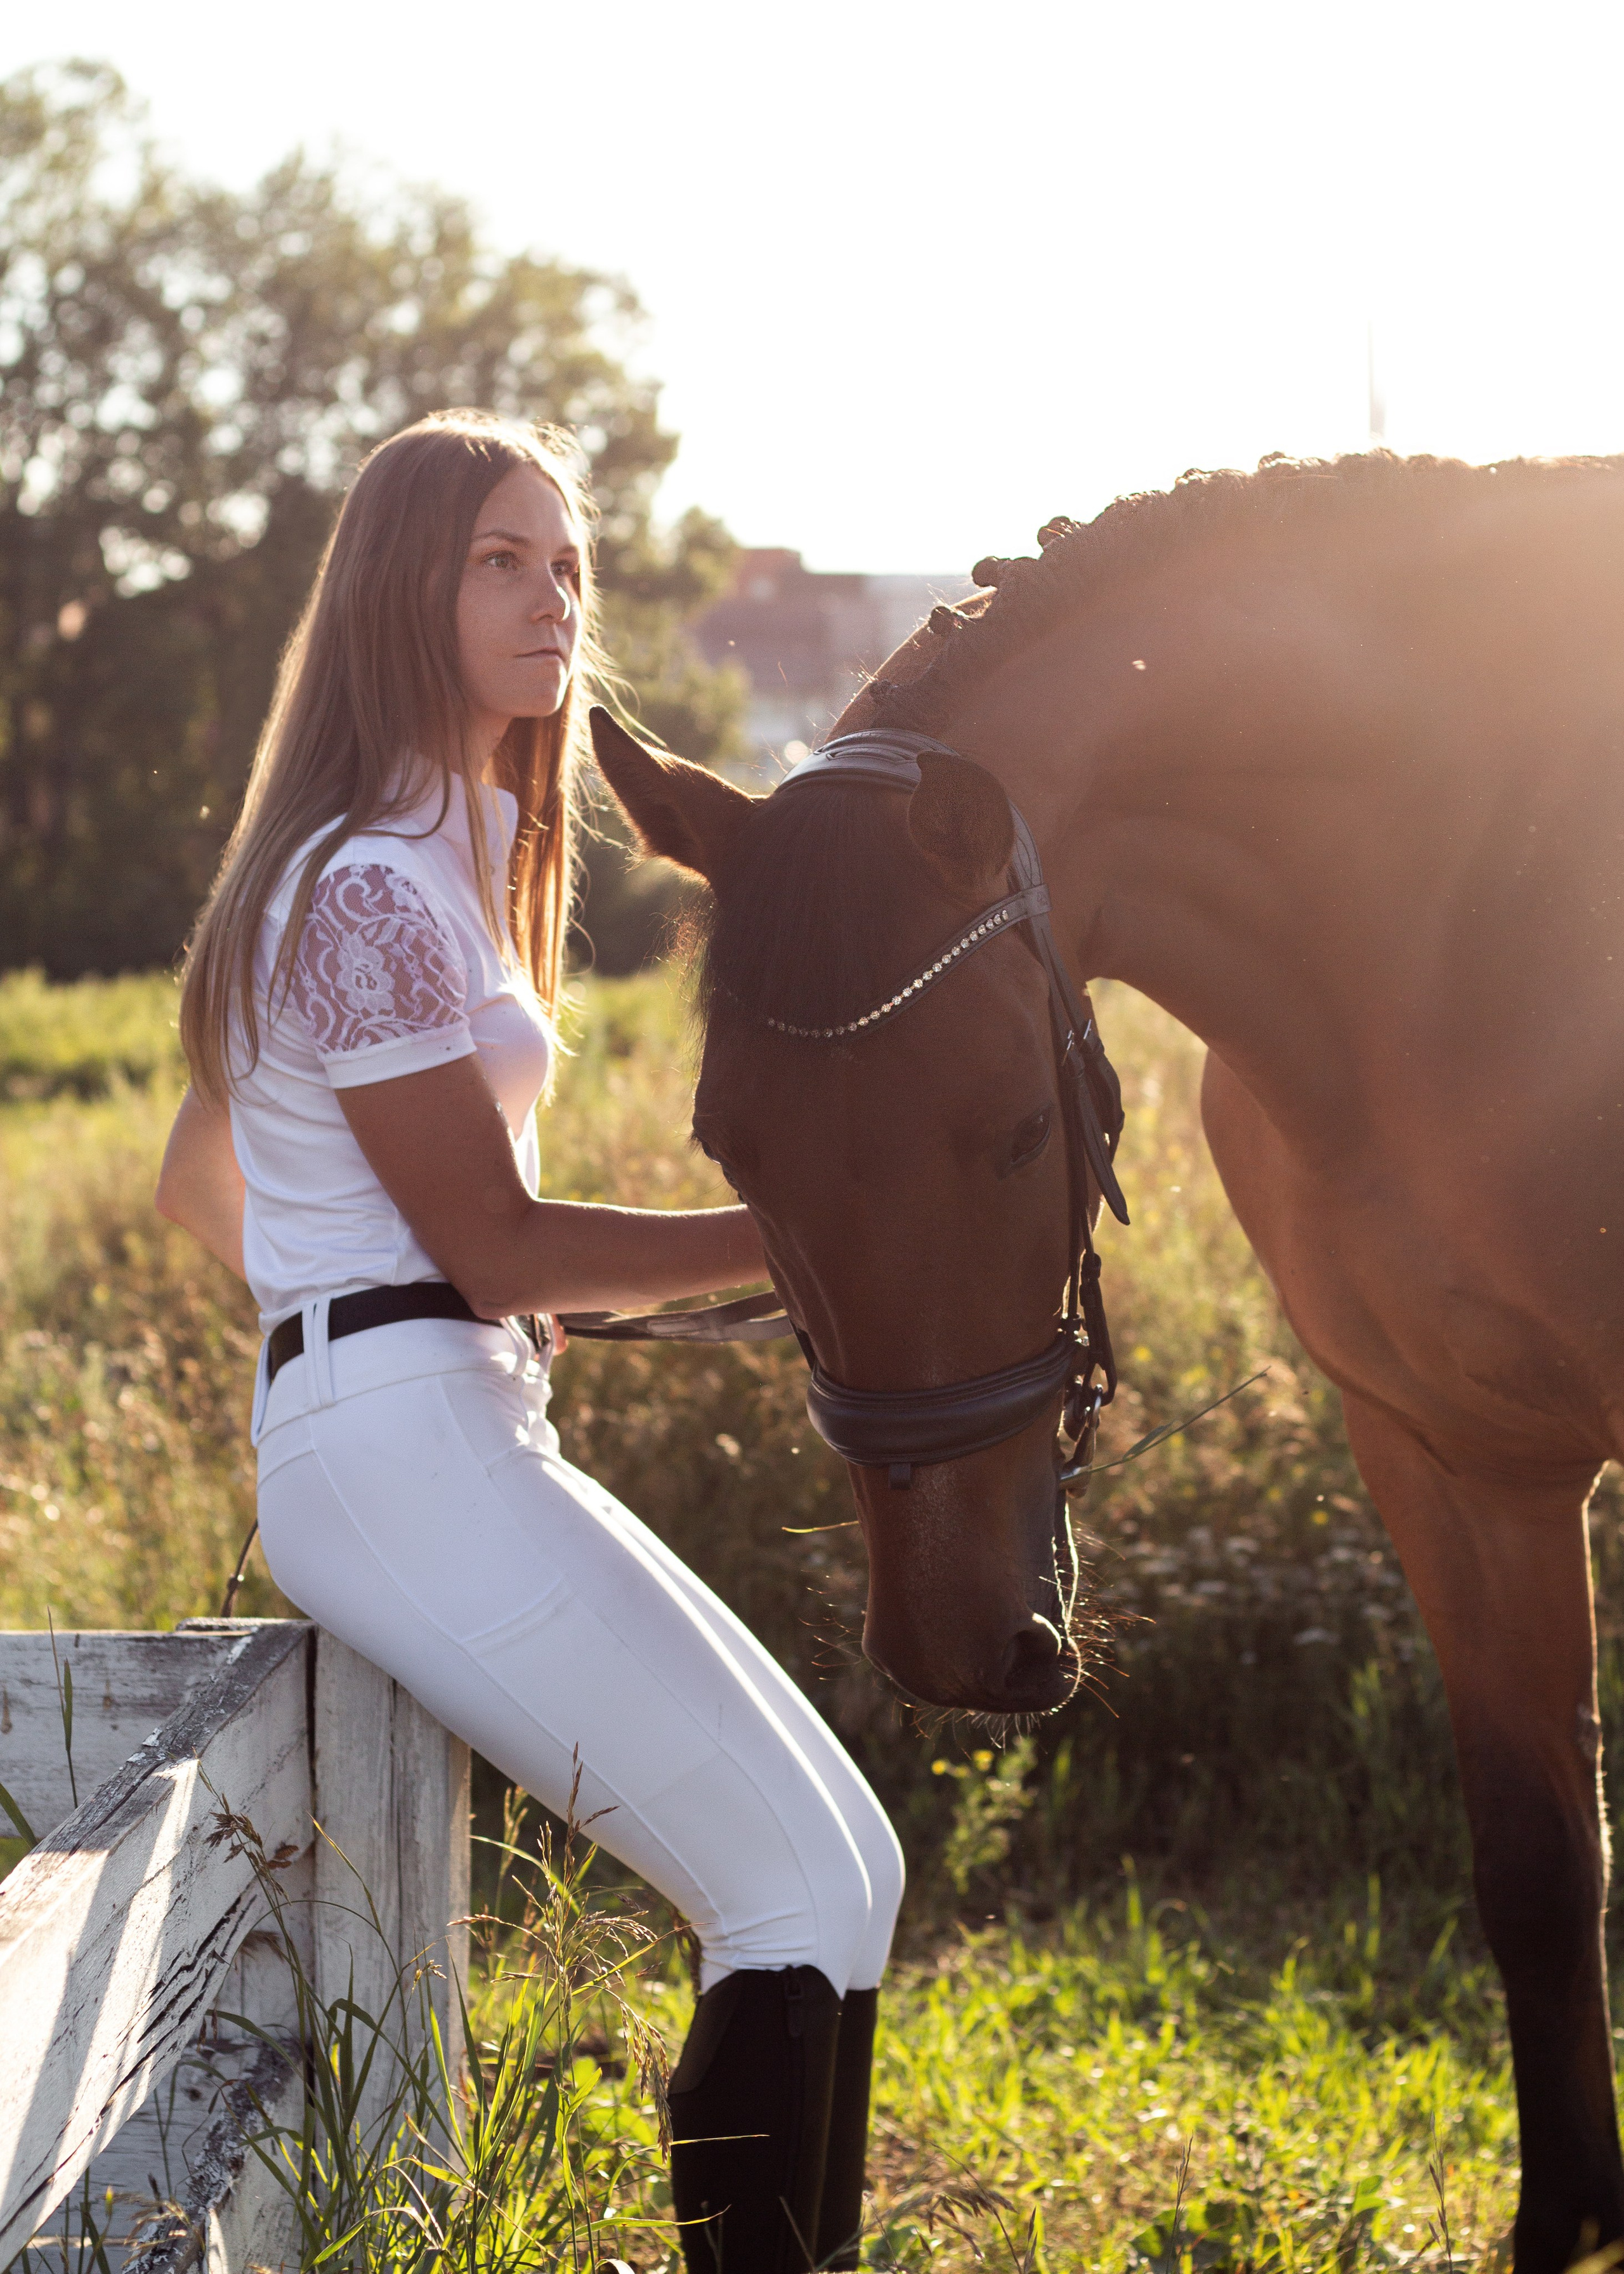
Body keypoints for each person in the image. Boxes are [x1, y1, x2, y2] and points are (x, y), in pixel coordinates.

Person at [155, 408, 903, 2273]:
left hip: (431, 1417)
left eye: (567, 564)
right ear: (399, 589)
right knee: (784, 1891)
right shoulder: (363, 885)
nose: (552, 597)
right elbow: (491, 1244)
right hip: (400, 1441)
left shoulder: (426, 862)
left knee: (855, 1872)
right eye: (500, 559)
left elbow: (200, 1182)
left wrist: (352, 1285)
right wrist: (813, 1242)